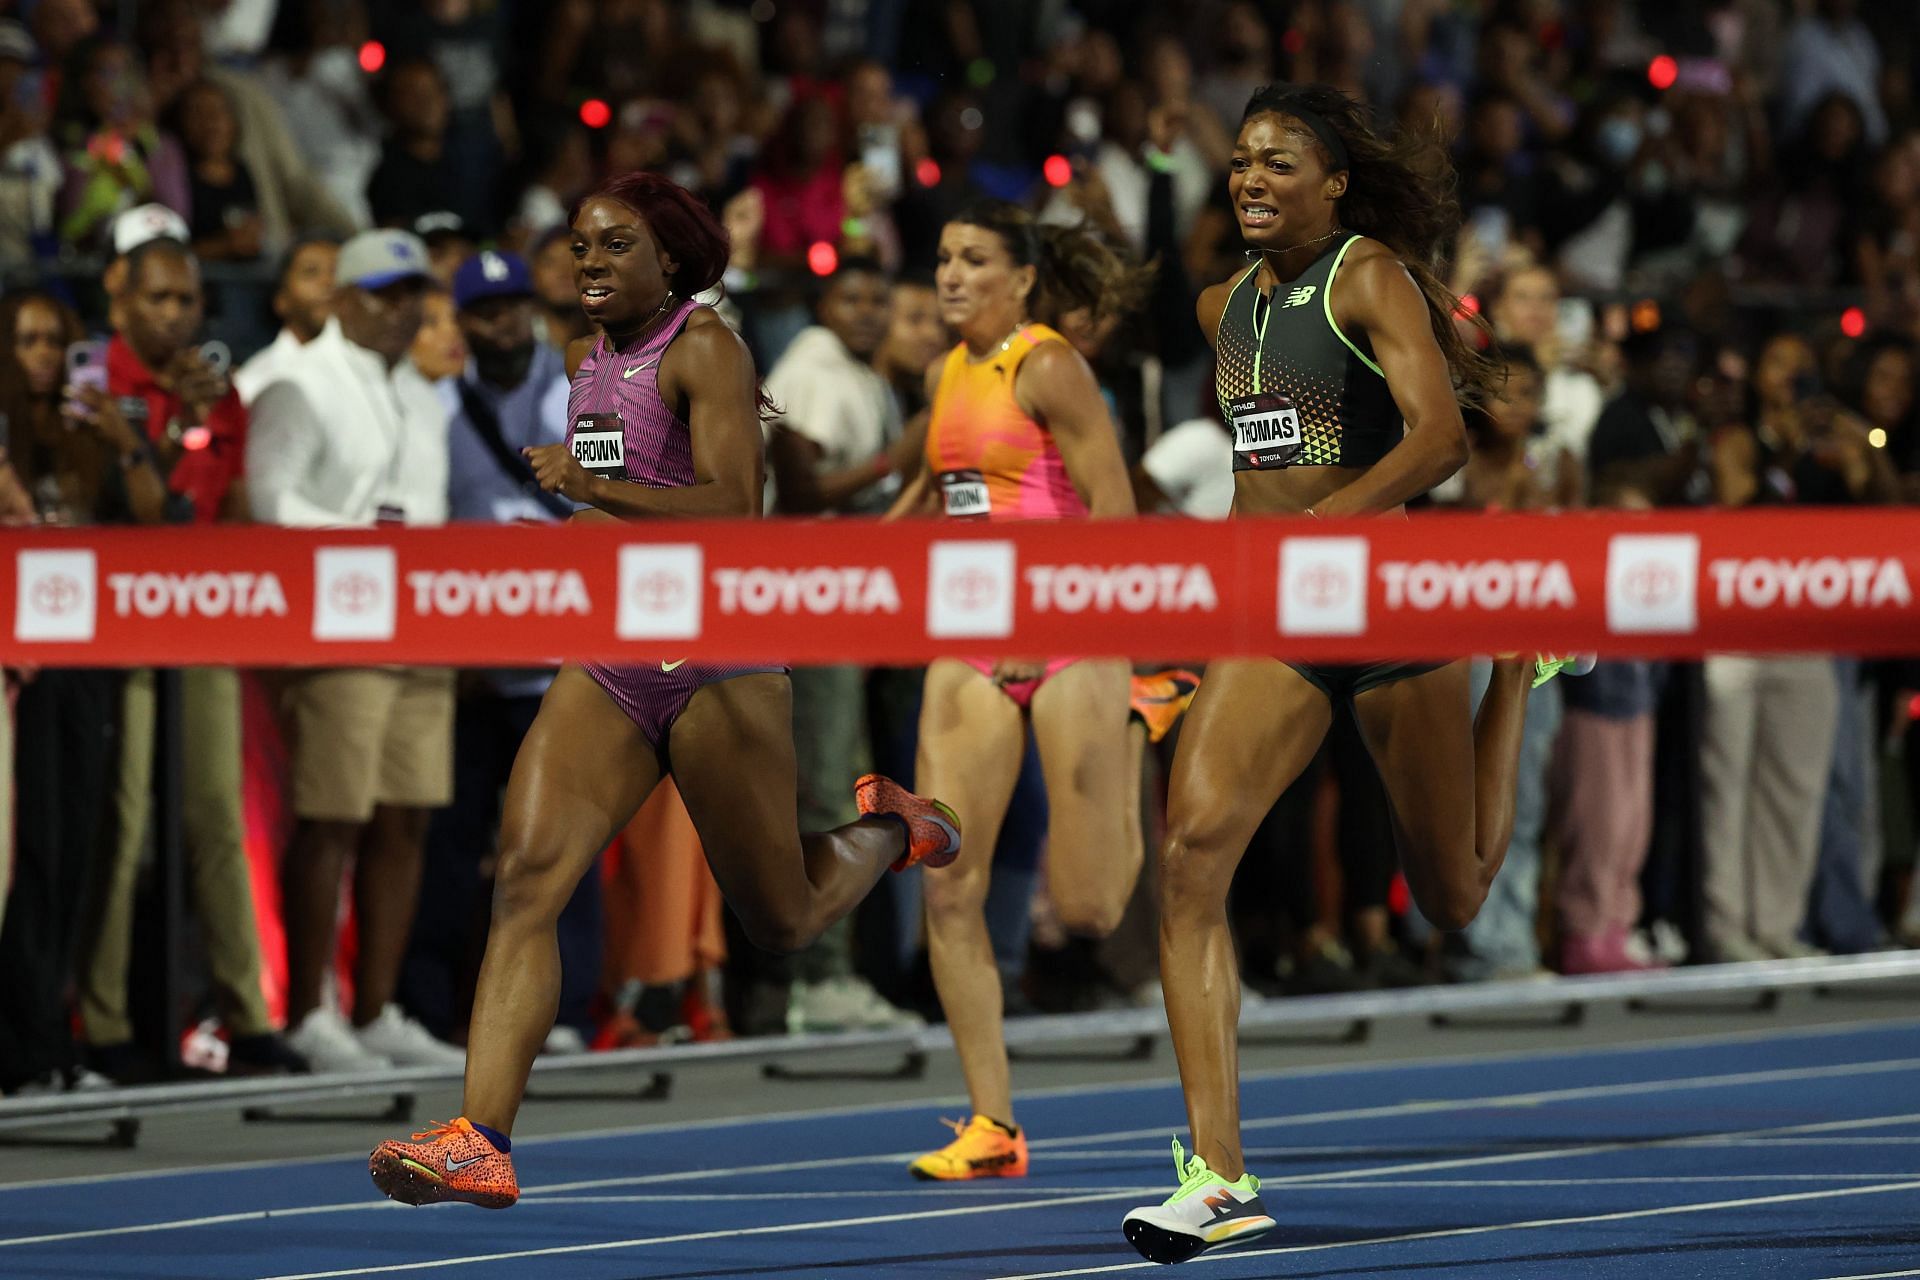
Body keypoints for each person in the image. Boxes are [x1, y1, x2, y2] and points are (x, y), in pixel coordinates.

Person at [367, 170, 960, 1210]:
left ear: (672, 260)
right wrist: (560, 540)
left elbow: (733, 505)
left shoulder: (706, 348)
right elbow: (617, 501)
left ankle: (891, 830)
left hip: (718, 654)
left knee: (778, 917)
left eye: (614, 246)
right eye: (580, 246)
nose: (589, 264)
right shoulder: (578, 356)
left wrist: (587, 485)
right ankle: (482, 1136)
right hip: (608, 651)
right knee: (524, 875)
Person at [1120, 84, 1587, 1264]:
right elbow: (1248, 474)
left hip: (1386, 604)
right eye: (1238, 162)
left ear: (1333, 181)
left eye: (1279, 161)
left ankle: (1516, 671)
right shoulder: (1221, 300)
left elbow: (1438, 439)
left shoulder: (1367, 275)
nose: (1252, 179)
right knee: (1188, 854)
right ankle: (1217, 1174)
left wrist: (1330, 522)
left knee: (1456, 894)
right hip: (1276, 614)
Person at [889, 199, 1148, 1181]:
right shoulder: (943, 371)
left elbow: (1114, 514)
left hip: (1071, 635)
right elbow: (921, 502)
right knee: (947, 883)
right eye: (944, 254)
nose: (951, 274)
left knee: (1086, 910)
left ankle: (1136, 727)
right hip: (968, 642)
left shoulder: (1047, 367)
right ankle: (991, 1122)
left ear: (1023, 278)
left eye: (973, 258)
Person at [80, 237, 305, 1081]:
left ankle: (246, 1018)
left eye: (187, 301)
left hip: (204, 618)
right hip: (118, 621)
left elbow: (238, 511)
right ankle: (102, 1024)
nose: (174, 314)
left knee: (218, 811)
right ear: (123, 300)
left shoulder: (225, 397)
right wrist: (173, 421)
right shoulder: (97, 389)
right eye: (159, 298)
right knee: (126, 814)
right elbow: (140, 509)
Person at [246, 228, 460, 1074]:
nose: (404, 310)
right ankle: (307, 1010)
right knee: (333, 817)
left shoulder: (419, 389)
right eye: (383, 294)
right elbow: (269, 503)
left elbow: (430, 508)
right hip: (338, 627)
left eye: (413, 294)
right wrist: (366, 544)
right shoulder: (293, 382)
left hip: (421, 624)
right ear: (340, 300)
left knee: (405, 815)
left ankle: (372, 1010)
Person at [762, 256, 924, 1035]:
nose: (865, 310)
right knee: (827, 787)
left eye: (877, 298)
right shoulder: (816, 366)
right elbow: (796, 493)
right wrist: (900, 457)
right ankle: (813, 979)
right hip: (807, 601)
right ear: (823, 303)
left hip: (844, 606)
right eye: (850, 297)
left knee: (849, 783)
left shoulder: (860, 372)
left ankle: (834, 972)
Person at [234, 237, 339, 404]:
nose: (329, 282)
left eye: (337, 272)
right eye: (311, 272)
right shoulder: (256, 381)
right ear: (281, 300)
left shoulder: (375, 364)